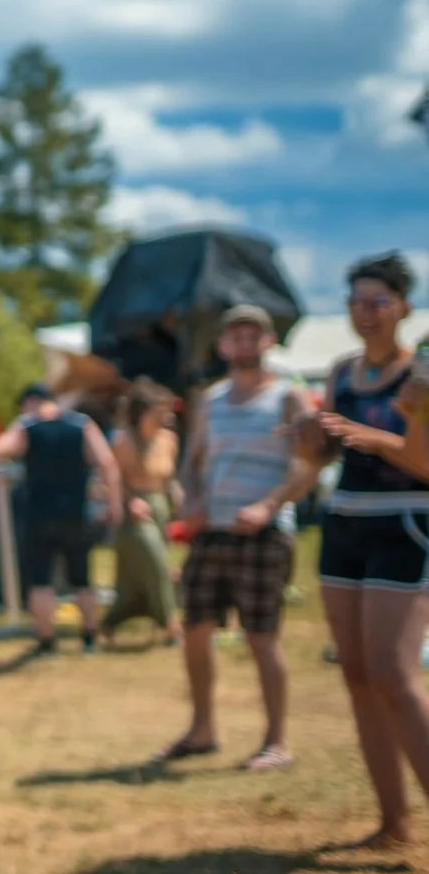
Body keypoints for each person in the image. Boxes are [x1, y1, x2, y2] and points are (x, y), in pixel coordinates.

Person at [161, 306, 319, 770]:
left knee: (261, 637)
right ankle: (202, 729)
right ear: (223, 345)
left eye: (254, 336)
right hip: (212, 531)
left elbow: (307, 465)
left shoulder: (290, 398)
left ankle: (276, 741)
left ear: (269, 341)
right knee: (194, 631)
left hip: (264, 534)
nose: (244, 344)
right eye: (236, 336)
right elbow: (191, 463)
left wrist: (269, 504)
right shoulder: (209, 400)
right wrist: (189, 498)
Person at [314, 254, 429, 848]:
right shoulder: (339, 373)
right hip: (343, 524)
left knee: (393, 672)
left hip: (406, 525)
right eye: (357, 301)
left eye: (378, 301)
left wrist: (377, 438)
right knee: (359, 676)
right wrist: (311, 440)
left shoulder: (424, 371)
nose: (365, 313)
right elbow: (320, 459)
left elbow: (425, 463)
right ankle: (394, 823)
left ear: (404, 306)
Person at [0, 384, 122, 653]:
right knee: (82, 577)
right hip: (76, 513)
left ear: (31, 402)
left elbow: (1, 448)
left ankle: (47, 640)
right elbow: (107, 463)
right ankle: (89, 636)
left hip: (39, 514)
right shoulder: (81, 425)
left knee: (41, 580)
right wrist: (113, 502)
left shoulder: (28, 426)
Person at [104, 381, 181, 645]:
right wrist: (128, 501)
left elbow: (168, 479)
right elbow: (111, 479)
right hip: (135, 513)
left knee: (134, 578)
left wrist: (179, 498)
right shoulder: (122, 441)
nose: (165, 417)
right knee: (157, 565)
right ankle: (172, 624)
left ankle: (111, 621)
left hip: (160, 509)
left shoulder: (168, 440)